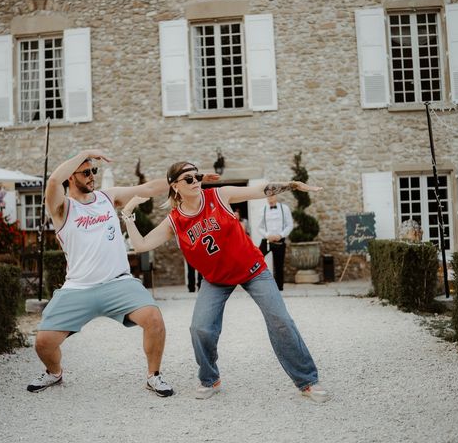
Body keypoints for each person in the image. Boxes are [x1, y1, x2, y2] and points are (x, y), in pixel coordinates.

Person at [121, 161, 330, 403]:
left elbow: (260, 190)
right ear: (175, 186)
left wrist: (291, 185)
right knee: (200, 328)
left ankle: (307, 381)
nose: (195, 181)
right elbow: (141, 245)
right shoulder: (175, 221)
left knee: (280, 320)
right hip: (216, 279)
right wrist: (127, 216)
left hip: (251, 269)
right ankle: (210, 378)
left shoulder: (218, 196)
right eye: (188, 179)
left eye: (197, 176)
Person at [27, 150, 192, 397]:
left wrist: (183, 182)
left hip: (118, 283)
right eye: (86, 172)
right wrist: (84, 153)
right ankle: (54, 372)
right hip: (78, 288)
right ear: (71, 177)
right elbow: (52, 182)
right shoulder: (61, 208)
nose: (92, 176)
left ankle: (154, 376)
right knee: (43, 342)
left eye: (94, 170)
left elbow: (147, 189)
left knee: (154, 319)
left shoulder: (107, 197)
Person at [258, 194, 294, 291]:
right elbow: (259, 227)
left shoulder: (284, 208)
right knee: (257, 259)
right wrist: (267, 235)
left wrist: (281, 235)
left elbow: (290, 225)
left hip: (279, 240)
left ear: (276, 196)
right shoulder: (263, 209)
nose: (270, 198)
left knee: (279, 265)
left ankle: (279, 288)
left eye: (272, 196)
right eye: (268, 196)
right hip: (267, 241)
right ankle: (257, 284)